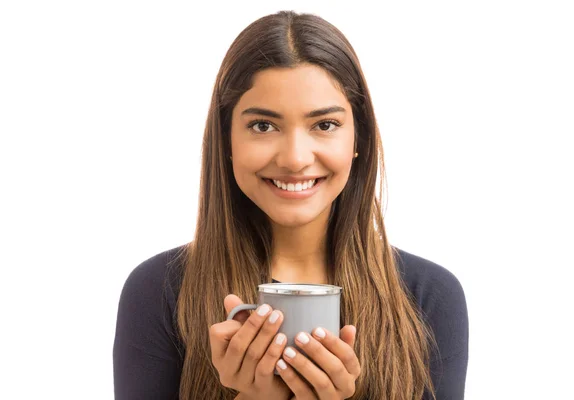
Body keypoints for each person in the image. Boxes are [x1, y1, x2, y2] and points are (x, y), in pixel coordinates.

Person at [113, 10, 468, 400]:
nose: (296, 158)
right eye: (263, 126)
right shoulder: (158, 291)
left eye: (325, 125)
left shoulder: (429, 297)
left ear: (357, 140)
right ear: (226, 141)